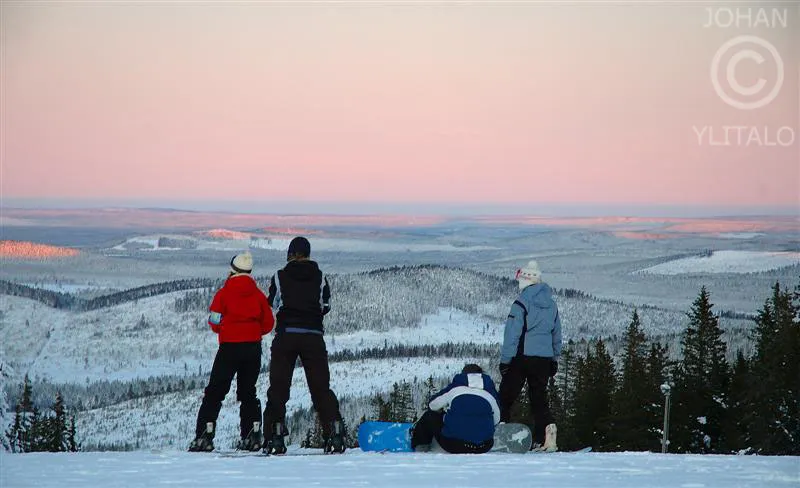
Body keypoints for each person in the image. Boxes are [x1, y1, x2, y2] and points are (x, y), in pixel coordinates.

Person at [261, 236, 346, 454]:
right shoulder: (320, 277)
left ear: (290, 253)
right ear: (308, 254)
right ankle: (334, 432)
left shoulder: (280, 276)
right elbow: (325, 306)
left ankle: (275, 435)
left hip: (286, 335)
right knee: (320, 388)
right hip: (313, 336)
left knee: (279, 387)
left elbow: (273, 303)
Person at [189, 251, 275, 452]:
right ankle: (252, 435)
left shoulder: (223, 294)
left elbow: (214, 321)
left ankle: (205, 435)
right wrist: (253, 331)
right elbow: (268, 323)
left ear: (232, 270)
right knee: (248, 392)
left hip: (228, 347)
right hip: (252, 347)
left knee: (215, 392)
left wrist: (226, 329)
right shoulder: (258, 295)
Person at [498, 260, 562, 452]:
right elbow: (556, 334)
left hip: (521, 358)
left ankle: (500, 432)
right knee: (539, 400)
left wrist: (505, 361)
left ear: (524, 281)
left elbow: (512, 335)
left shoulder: (521, 303)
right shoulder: (551, 305)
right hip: (543, 359)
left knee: (505, 397)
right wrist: (553, 359)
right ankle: (547, 437)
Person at [410, 364, 500, 454]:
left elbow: (432, 405)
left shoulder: (456, 387)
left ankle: (421, 447)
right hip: (483, 446)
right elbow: (497, 419)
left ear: (464, 374)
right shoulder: (490, 392)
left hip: (453, 444)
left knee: (430, 416)